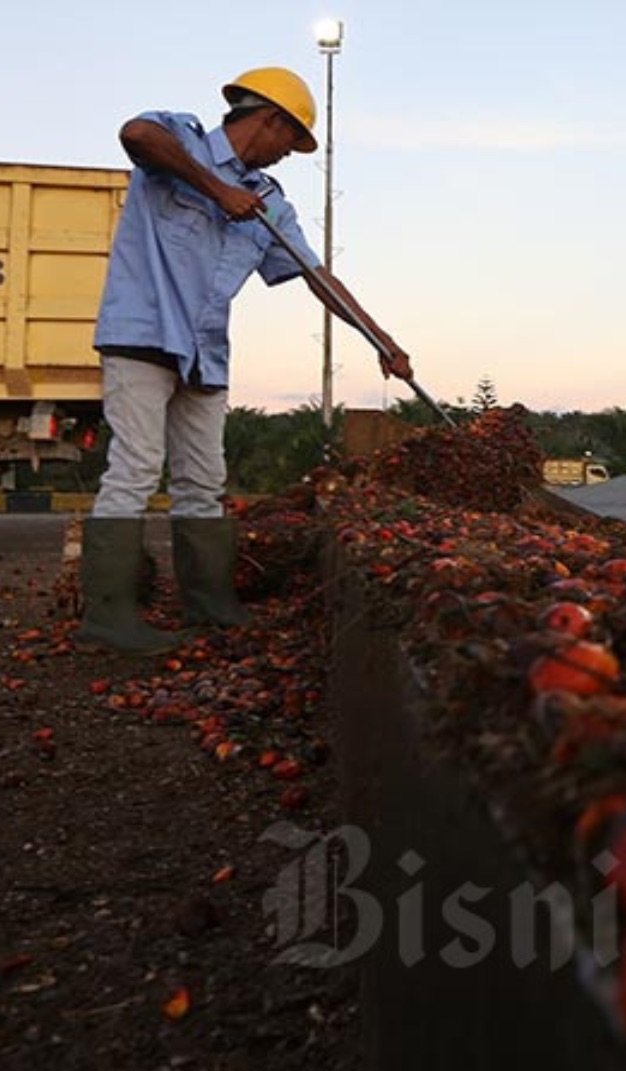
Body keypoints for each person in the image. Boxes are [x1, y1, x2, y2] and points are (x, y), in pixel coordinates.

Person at [77, 67, 411, 654]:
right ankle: (109, 617)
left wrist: (380, 338)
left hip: (205, 351)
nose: (290, 154)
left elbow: (314, 273)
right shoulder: (178, 136)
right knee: (133, 470)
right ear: (270, 120)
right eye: (292, 141)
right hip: (143, 334)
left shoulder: (269, 204)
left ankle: (209, 603)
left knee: (203, 482)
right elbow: (134, 135)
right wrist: (215, 189)